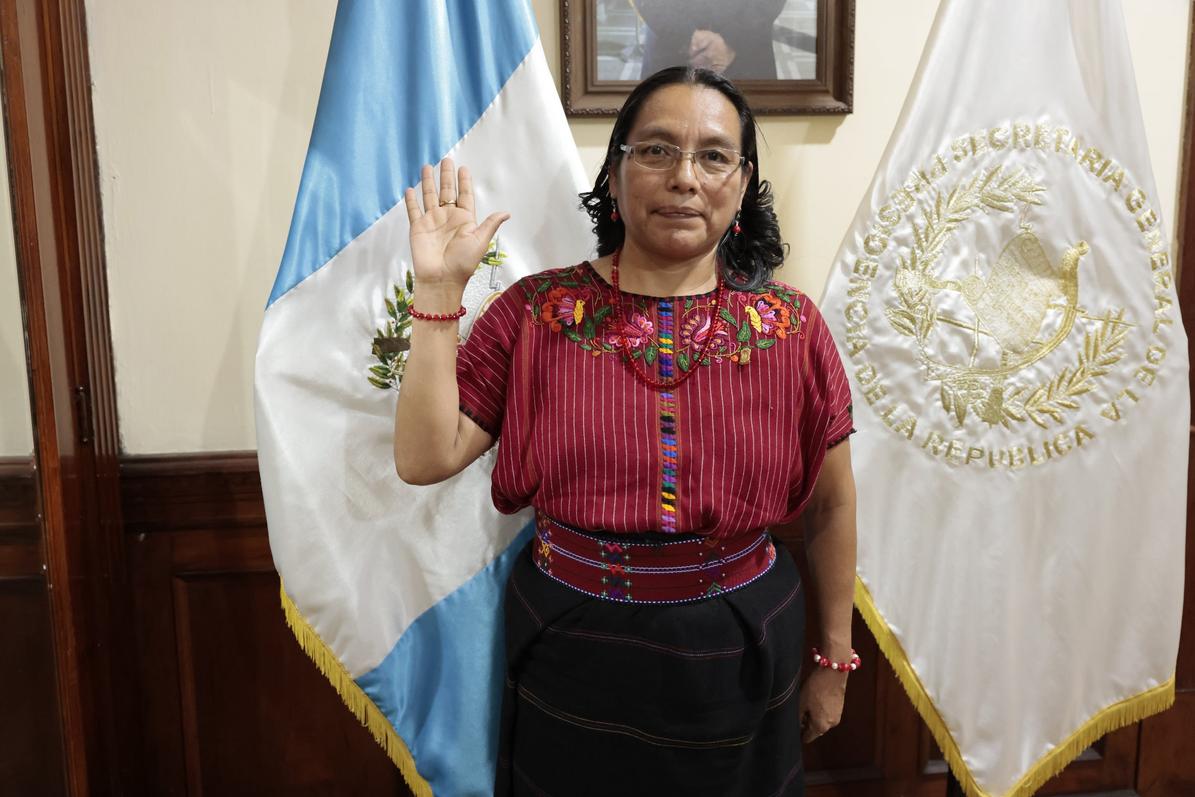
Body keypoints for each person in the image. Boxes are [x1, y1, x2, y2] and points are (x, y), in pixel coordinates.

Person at [394, 66, 857, 796]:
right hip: (573, 641)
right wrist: (438, 291)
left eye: (713, 155)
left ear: (741, 185)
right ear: (613, 175)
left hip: (742, 642)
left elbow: (830, 507)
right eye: (654, 151)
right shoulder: (534, 312)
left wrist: (832, 659)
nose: (683, 177)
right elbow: (425, 458)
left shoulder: (790, 328)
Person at [636, 0, 788, 80]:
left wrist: (732, 39)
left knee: (753, 133)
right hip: (669, 44)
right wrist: (685, 35)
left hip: (748, 48)